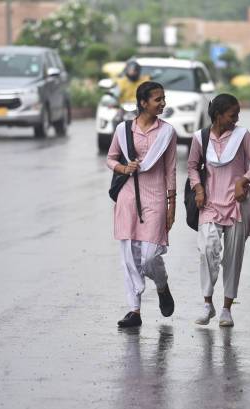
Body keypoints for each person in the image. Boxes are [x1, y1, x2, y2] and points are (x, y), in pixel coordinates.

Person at [187, 93, 250, 327]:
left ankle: (226, 309)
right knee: (207, 250)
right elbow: (192, 166)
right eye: (233, 114)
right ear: (218, 116)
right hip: (209, 203)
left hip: (237, 204)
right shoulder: (201, 138)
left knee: (233, 258)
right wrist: (198, 189)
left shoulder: (242, 136)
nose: (236, 118)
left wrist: (243, 181)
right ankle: (207, 303)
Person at [106, 81, 177, 328]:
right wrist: (124, 168)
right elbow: (111, 158)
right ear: (143, 103)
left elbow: (170, 168)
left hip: (156, 197)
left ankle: (161, 285)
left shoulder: (167, 131)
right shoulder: (123, 130)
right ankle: (134, 310)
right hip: (127, 197)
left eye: (163, 98)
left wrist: (172, 204)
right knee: (129, 255)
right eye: (158, 99)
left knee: (148, 256)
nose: (162, 103)